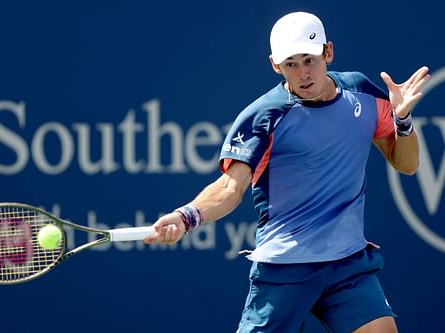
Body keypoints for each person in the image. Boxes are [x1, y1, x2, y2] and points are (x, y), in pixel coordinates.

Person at [144, 11, 429, 333]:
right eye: (291, 64)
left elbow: (407, 165)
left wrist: (402, 120)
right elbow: (229, 188)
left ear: (328, 52)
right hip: (285, 268)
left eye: (309, 60)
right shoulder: (264, 116)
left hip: (347, 263)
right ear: (275, 65)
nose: (303, 73)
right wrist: (186, 217)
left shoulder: (362, 92)